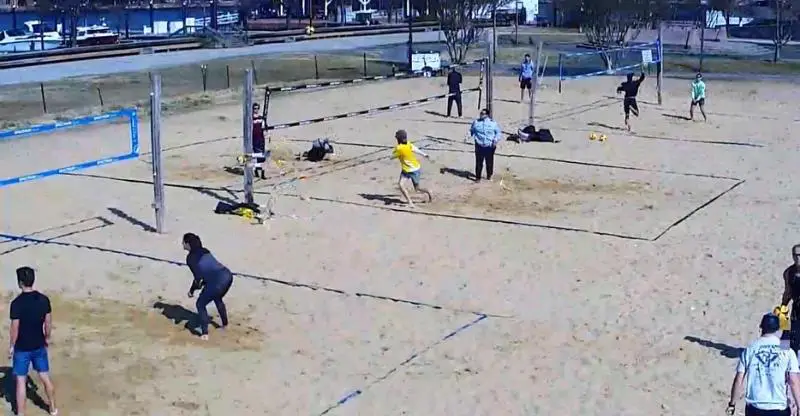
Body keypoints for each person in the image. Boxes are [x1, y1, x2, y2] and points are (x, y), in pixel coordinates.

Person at [727, 313, 800, 416]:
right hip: (779, 408)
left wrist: (732, 404)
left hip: (755, 408)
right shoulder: (786, 350)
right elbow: (793, 381)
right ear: (777, 329)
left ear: (761, 328)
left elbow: (739, 379)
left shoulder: (750, 349)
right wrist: (798, 405)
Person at [9, 267, 57, 416]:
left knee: (21, 382)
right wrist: (47, 337)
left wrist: (11, 345)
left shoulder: (17, 303)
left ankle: (21, 413)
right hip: (39, 344)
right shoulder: (43, 300)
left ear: (20, 282)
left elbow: (14, 328)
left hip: (22, 347)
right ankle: (53, 408)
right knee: (44, 377)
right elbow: (48, 323)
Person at [183, 233, 234, 341]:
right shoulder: (205, 250)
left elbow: (198, 279)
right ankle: (225, 324)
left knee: (200, 304)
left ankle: (205, 333)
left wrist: (191, 291)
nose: (182, 244)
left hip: (217, 280)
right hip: (228, 275)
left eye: (183, 242)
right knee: (217, 297)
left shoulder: (190, 258)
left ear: (188, 244)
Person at [392, 130, 432, 209]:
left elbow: (393, 156)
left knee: (414, 188)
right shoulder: (409, 144)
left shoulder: (399, 148)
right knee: (403, 185)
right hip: (411, 169)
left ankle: (428, 192)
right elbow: (416, 149)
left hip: (411, 170)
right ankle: (410, 202)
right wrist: (424, 154)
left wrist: (395, 155)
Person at [469, 108, 502, 182]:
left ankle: (489, 175)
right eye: (481, 113)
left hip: (489, 145)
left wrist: (495, 140)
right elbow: (472, 131)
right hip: (479, 144)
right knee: (478, 162)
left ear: (487, 115)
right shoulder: (476, 122)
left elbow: (498, 133)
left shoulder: (493, 123)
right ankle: (478, 177)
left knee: (489, 162)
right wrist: (468, 136)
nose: (481, 115)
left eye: (483, 113)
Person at [779, 244, 800, 354]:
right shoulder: (789, 273)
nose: (798, 258)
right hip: (797, 309)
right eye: (795, 255)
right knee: (787, 335)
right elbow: (788, 292)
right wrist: (783, 309)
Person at [252, 103, 267, 180]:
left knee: (263, 156)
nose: (256, 110)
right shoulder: (250, 118)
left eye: (257, 108)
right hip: (254, 139)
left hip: (261, 139)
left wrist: (267, 136)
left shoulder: (262, 118)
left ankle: (263, 174)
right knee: (255, 156)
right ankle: (256, 172)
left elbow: (264, 128)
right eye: (254, 108)